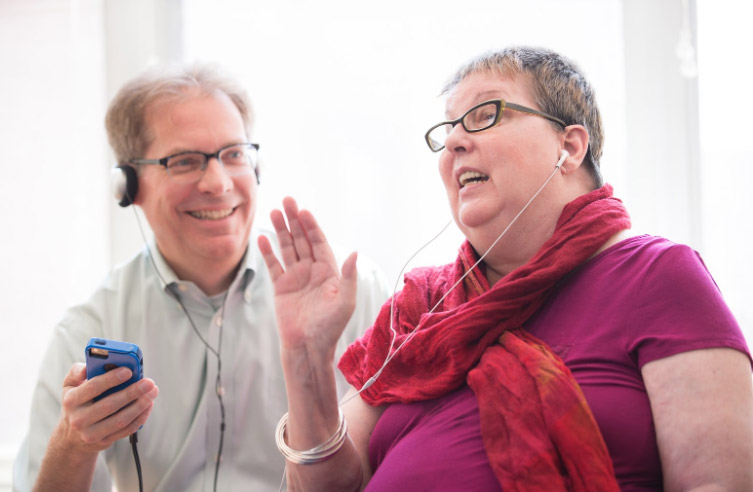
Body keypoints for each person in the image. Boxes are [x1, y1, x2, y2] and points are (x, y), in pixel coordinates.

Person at [259, 46, 753, 491]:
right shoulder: (421, 305)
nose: (453, 141)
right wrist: (305, 359)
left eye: (484, 114)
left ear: (570, 147)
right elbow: (328, 488)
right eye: (448, 127)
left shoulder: (657, 275)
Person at [13, 63, 390, 492]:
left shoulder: (350, 295)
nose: (217, 182)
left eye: (233, 155)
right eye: (186, 161)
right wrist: (73, 444)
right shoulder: (90, 329)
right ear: (128, 186)